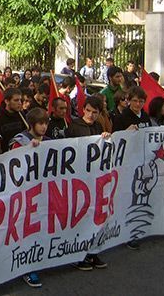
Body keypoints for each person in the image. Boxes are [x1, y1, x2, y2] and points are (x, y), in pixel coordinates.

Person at [65, 96, 111, 269]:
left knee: (95, 215)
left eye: (95, 112)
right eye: (88, 111)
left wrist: (105, 137)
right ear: (83, 109)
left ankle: (92, 252)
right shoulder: (74, 127)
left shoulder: (98, 126)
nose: (91, 115)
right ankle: (78, 255)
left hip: (95, 178)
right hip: (79, 179)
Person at [10, 107, 50, 289]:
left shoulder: (49, 141)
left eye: (46, 123)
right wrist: (27, 150)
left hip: (44, 192)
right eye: (40, 123)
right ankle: (26, 267)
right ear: (32, 124)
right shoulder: (19, 142)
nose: (44, 127)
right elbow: (12, 164)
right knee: (26, 230)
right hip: (25, 194)